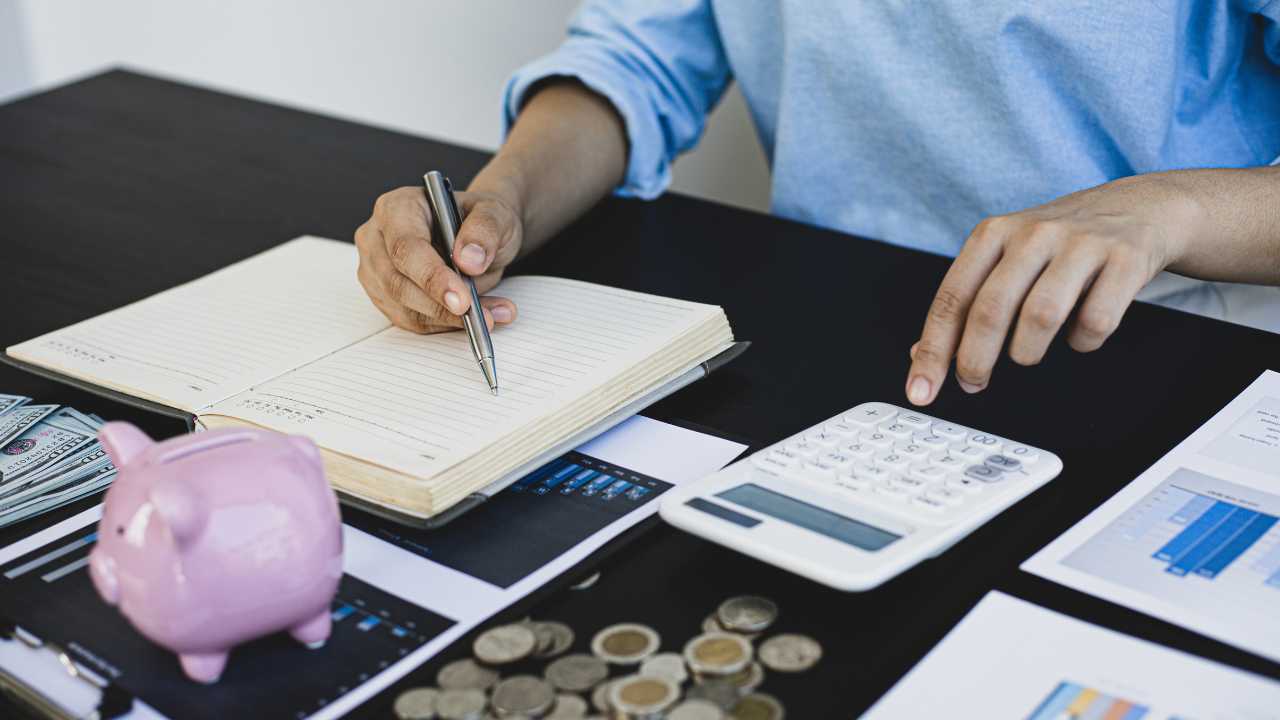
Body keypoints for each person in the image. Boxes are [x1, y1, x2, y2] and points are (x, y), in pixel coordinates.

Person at [355, 1, 1280, 407]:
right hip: (833, 335)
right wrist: (499, 200)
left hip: (1154, 349)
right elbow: (636, 60)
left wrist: (1172, 210)